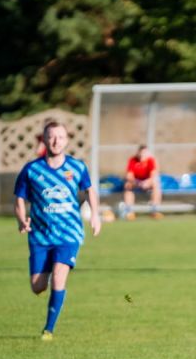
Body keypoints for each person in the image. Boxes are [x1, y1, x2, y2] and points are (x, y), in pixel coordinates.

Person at [14, 121, 102, 339]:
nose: (56, 141)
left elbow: (90, 190)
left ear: (67, 140)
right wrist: (21, 219)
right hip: (40, 235)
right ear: (44, 140)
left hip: (69, 234)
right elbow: (19, 199)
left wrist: (95, 215)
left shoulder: (77, 167)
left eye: (60, 137)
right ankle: (49, 311)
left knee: (59, 276)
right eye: (51, 137)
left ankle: (49, 329)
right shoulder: (32, 169)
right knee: (37, 287)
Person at [122, 145, 163, 219]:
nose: (142, 155)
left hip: (147, 182)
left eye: (145, 153)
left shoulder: (150, 160)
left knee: (156, 184)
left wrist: (147, 182)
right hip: (136, 182)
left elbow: (153, 175)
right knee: (128, 185)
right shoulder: (133, 160)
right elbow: (129, 175)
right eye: (141, 153)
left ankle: (155, 210)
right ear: (138, 153)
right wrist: (137, 182)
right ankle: (129, 212)